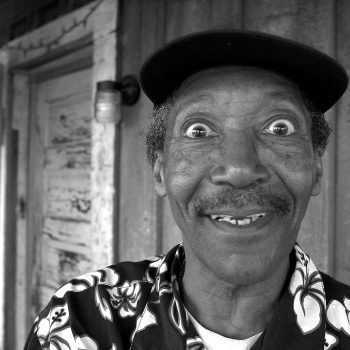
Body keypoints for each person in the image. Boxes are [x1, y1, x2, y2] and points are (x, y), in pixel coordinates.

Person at [24, 30, 350, 350]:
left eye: (280, 128)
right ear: (160, 171)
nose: (239, 170)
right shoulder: (83, 319)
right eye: (199, 130)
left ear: (317, 168)